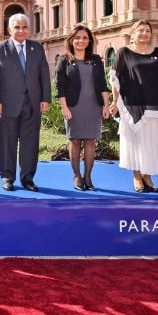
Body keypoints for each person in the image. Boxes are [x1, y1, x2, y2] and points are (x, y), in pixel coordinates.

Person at [0, 13, 51, 192]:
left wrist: (46, 98)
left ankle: (27, 178)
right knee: (6, 142)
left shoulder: (37, 48)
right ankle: (7, 177)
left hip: (32, 104)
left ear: (29, 30)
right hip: (5, 105)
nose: (21, 30)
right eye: (17, 27)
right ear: (9, 30)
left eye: (24, 27)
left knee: (30, 143)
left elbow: (44, 74)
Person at [108, 20, 158, 193]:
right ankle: (137, 175)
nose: (144, 33)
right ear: (132, 33)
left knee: (151, 140)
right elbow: (115, 79)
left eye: (147, 30)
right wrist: (115, 101)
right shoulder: (124, 53)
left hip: (156, 104)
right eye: (140, 30)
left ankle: (147, 174)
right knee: (137, 141)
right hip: (133, 103)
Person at [55, 25, 110, 191]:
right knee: (75, 140)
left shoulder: (95, 60)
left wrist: (106, 105)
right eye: (77, 37)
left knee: (90, 141)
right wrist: (64, 107)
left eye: (85, 38)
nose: (81, 41)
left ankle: (88, 177)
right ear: (71, 40)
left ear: (89, 41)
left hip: (93, 106)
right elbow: (60, 86)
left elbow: (102, 84)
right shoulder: (64, 60)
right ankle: (77, 176)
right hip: (73, 106)